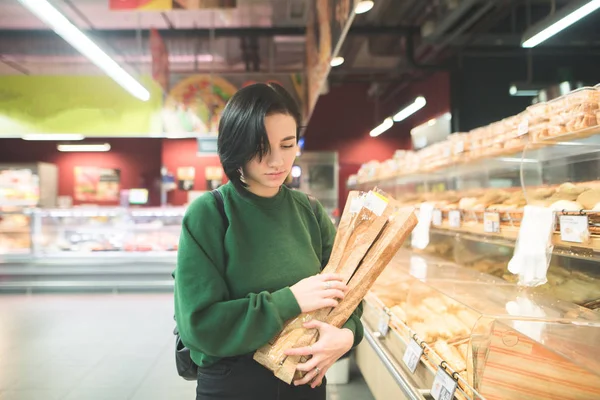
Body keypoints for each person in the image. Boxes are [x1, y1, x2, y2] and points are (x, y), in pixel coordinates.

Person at [173, 82, 364, 400]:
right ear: (236, 146)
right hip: (233, 386)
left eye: (287, 145)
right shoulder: (210, 214)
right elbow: (199, 325)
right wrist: (289, 300)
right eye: (261, 147)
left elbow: (351, 293)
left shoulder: (310, 213)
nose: (277, 161)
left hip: (305, 384)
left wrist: (347, 335)